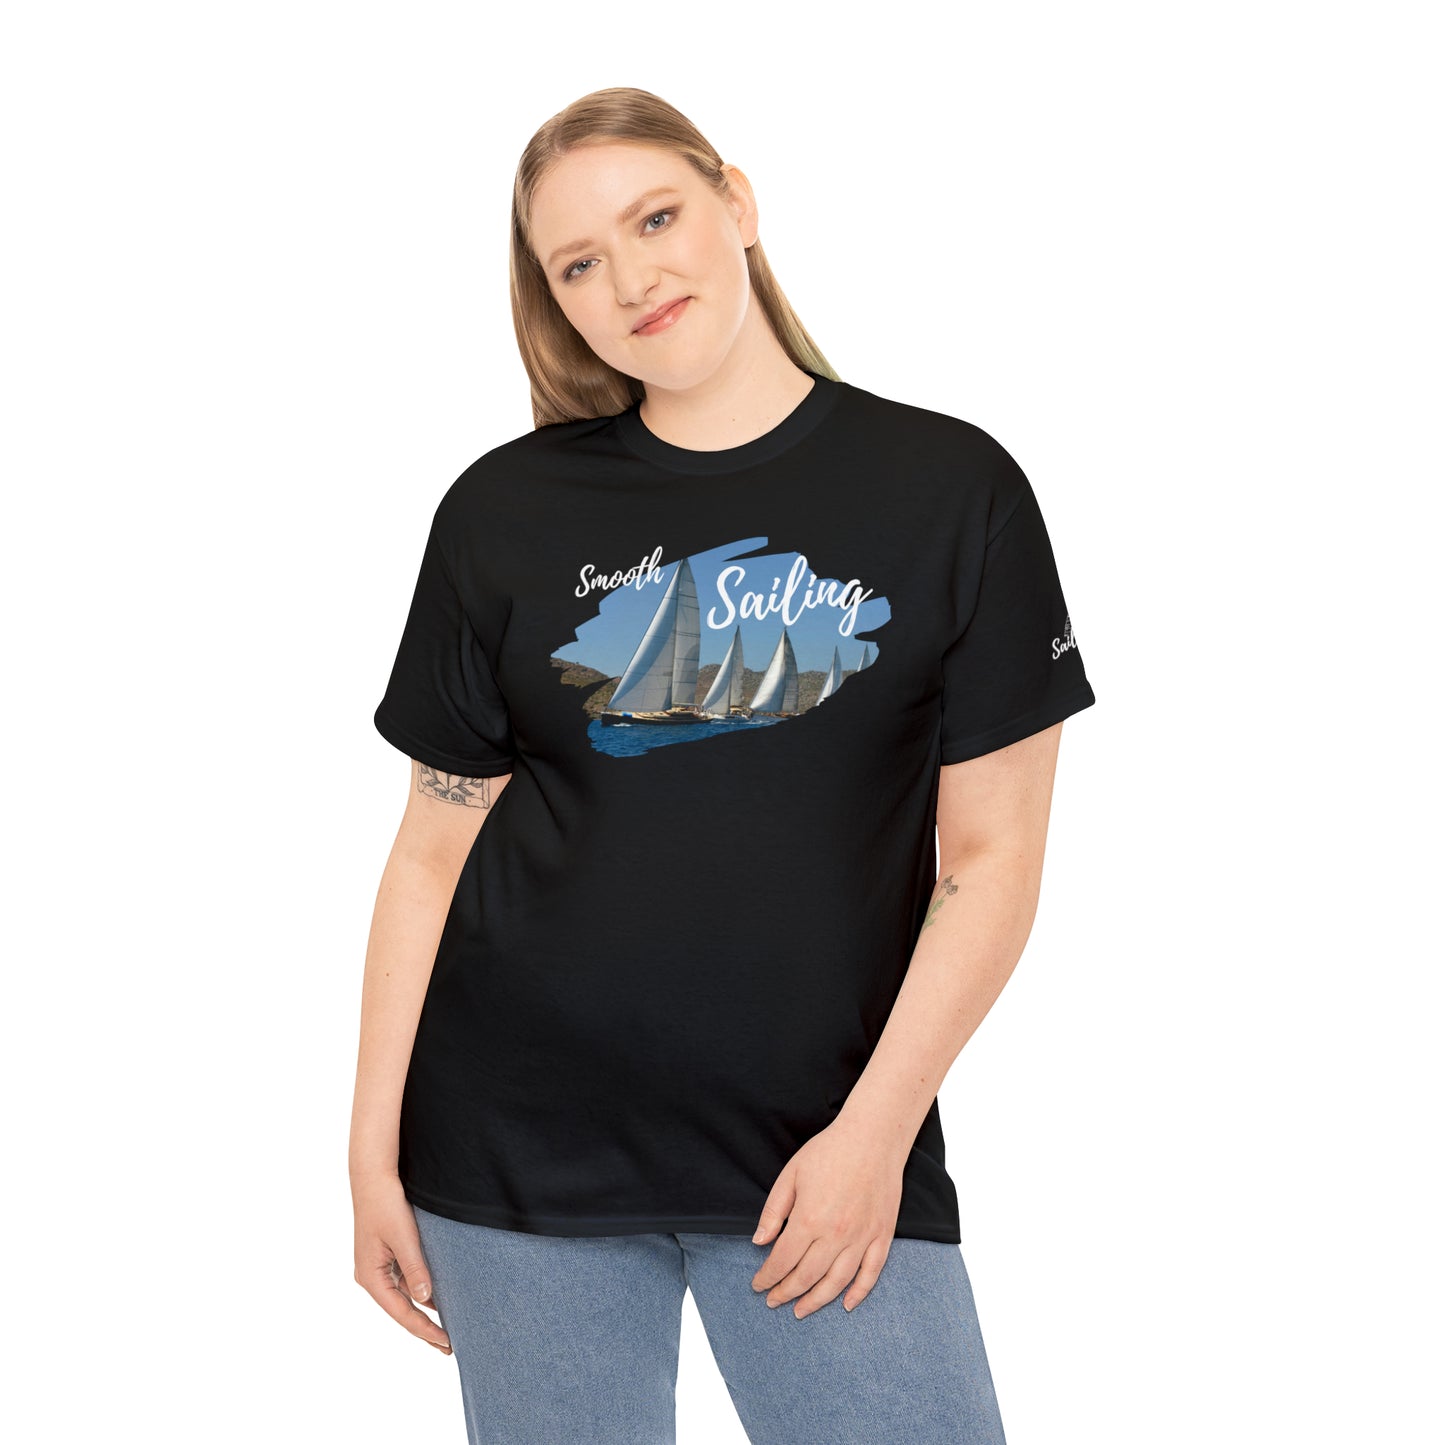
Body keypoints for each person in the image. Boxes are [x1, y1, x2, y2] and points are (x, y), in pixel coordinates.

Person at [350, 85, 1096, 1445]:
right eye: (579, 263)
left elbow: (991, 862)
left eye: (656, 220)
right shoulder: (502, 513)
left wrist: (875, 1134)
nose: (631, 280)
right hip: (514, 1157)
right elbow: (430, 852)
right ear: (553, 301)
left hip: (822, 1153)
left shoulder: (950, 490)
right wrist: (369, 1151)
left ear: (735, 204)